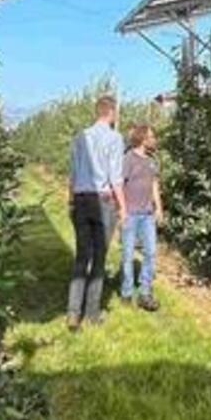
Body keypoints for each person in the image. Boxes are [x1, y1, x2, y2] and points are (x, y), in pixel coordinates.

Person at [66, 95, 126, 331]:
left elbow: (73, 172)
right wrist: (124, 208)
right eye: (116, 112)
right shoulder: (114, 138)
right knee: (99, 257)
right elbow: (115, 177)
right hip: (102, 201)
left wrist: (71, 199)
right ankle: (92, 313)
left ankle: (73, 313)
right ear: (111, 112)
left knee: (82, 256)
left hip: (81, 199)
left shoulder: (80, 137)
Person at [119, 124, 163, 311]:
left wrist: (159, 208)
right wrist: (121, 211)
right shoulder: (128, 159)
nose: (155, 140)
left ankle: (145, 292)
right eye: (152, 137)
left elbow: (154, 185)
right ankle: (127, 292)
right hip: (130, 214)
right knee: (128, 255)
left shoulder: (152, 161)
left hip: (147, 215)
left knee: (151, 252)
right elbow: (119, 185)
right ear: (142, 139)